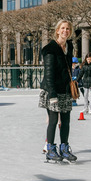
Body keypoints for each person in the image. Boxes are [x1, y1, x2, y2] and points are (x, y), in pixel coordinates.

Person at [38, 20, 77, 164]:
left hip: (65, 89)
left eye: (68, 28)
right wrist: (52, 94)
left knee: (66, 120)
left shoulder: (69, 46)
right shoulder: (50, 49)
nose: (65, 31)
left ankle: (64, 148)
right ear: (57, 30)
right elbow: (49, 74)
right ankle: (50, 150)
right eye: (63, 28)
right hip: (52, 90)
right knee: (53, 120)